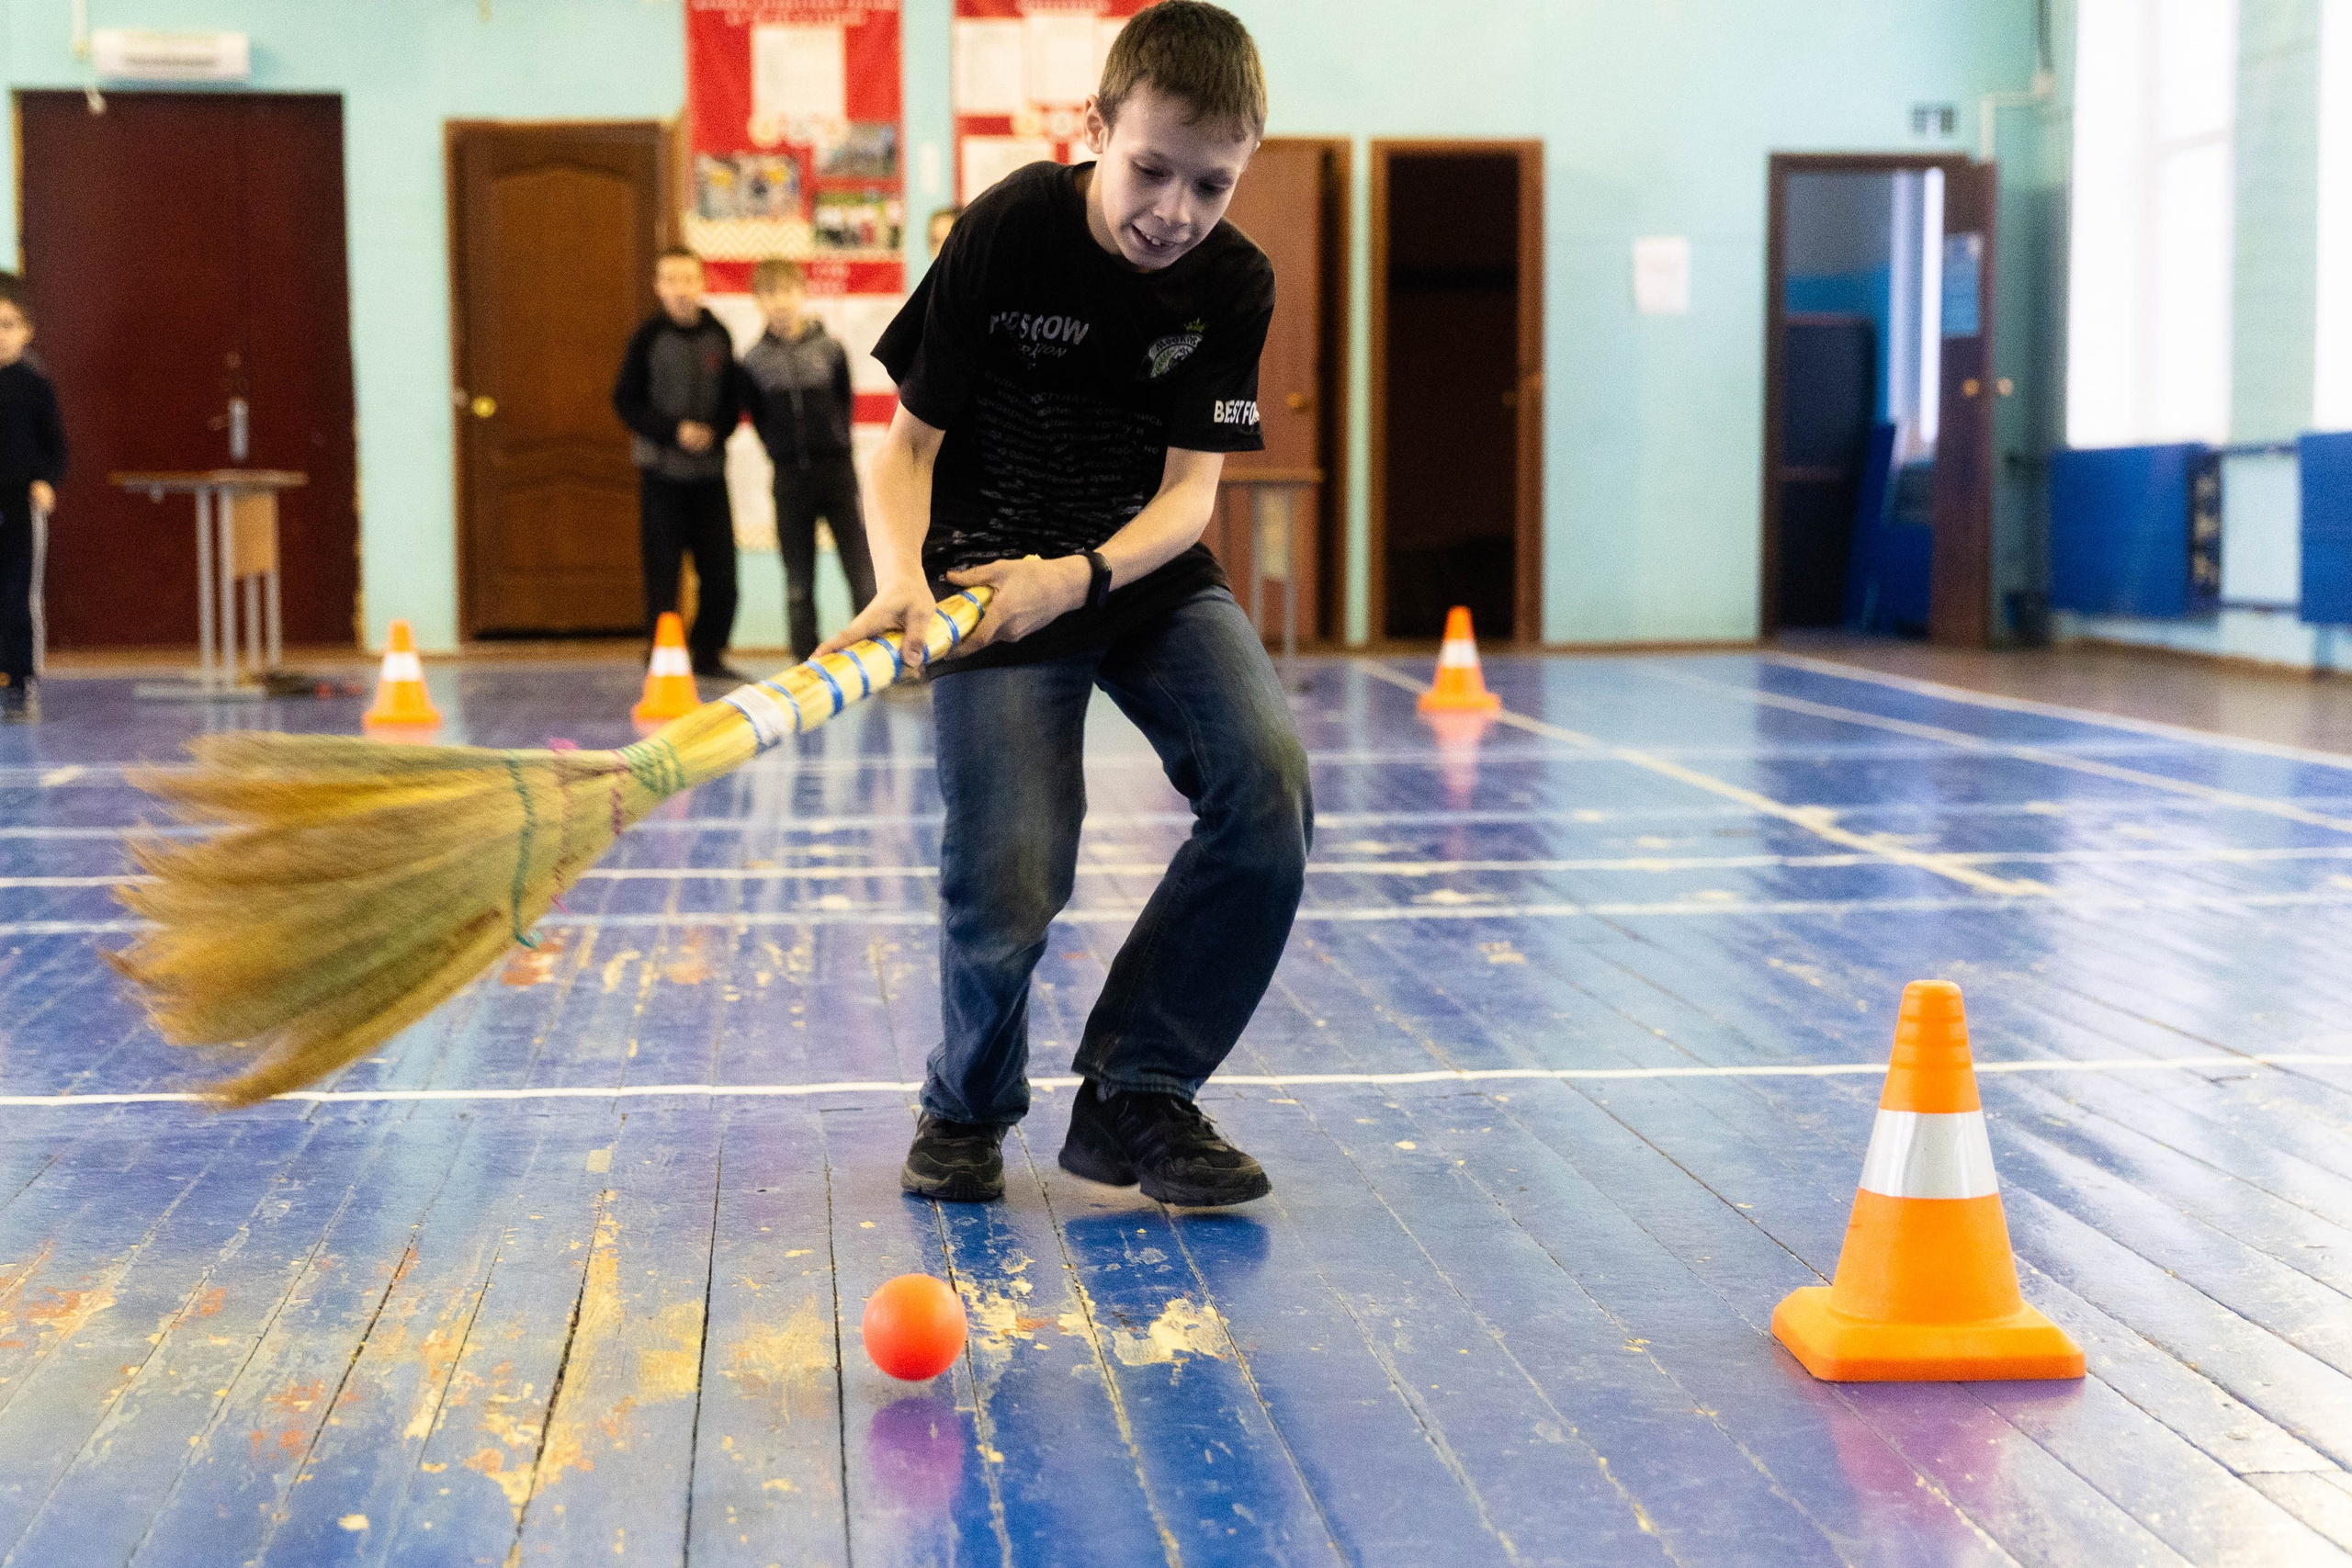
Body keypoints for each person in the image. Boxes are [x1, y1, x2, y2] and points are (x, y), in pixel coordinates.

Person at [820, 2, 1306, 1208]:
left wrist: (1079, 579)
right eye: (1151, 169)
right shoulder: (1011, 230)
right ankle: (965, 1107)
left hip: (1139, 577)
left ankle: (1139, 1090)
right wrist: (898, 580)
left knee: (1268, 784)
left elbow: (1189, 500)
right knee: (1012, 870)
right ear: (1096, 128)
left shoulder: (1236, 281)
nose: (1174, 212)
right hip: (989, 581)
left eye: (1212, 184)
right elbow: (906, 449)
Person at [613, 247, 744, 681]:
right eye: (670, 280)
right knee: (663, 573)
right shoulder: (647, 336)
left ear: (701, 283)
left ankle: (708, 654)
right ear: (659, 287)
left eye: (688, 279)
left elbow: (732, 399)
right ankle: (663, 656)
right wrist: (674, 431)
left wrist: (715, 430)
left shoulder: (719, 336)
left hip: (709, 476)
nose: (680, 289)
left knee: (721, 575)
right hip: (661, 476)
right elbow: (626, 401)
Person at [742, 259, 876, 660]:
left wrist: (836, 448)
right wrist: (781, 452)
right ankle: (805, 662)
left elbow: (843, 402)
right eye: (770, 294)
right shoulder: (752, 360)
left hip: (835, 473)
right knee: (798, 579)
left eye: (787, 292)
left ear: (802, 294)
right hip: (789, 478)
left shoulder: (829, 349)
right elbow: (759, 418)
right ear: (758, 301)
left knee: (860, 569)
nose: (780, 302)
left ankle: (875, 654)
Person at [0, 276, 64, 724]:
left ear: (27, 331)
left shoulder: (35, 387)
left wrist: (45, 480)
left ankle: (22, 679)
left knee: (19, 592)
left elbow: (55, 448)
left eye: (7, 325)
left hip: (20, 503)